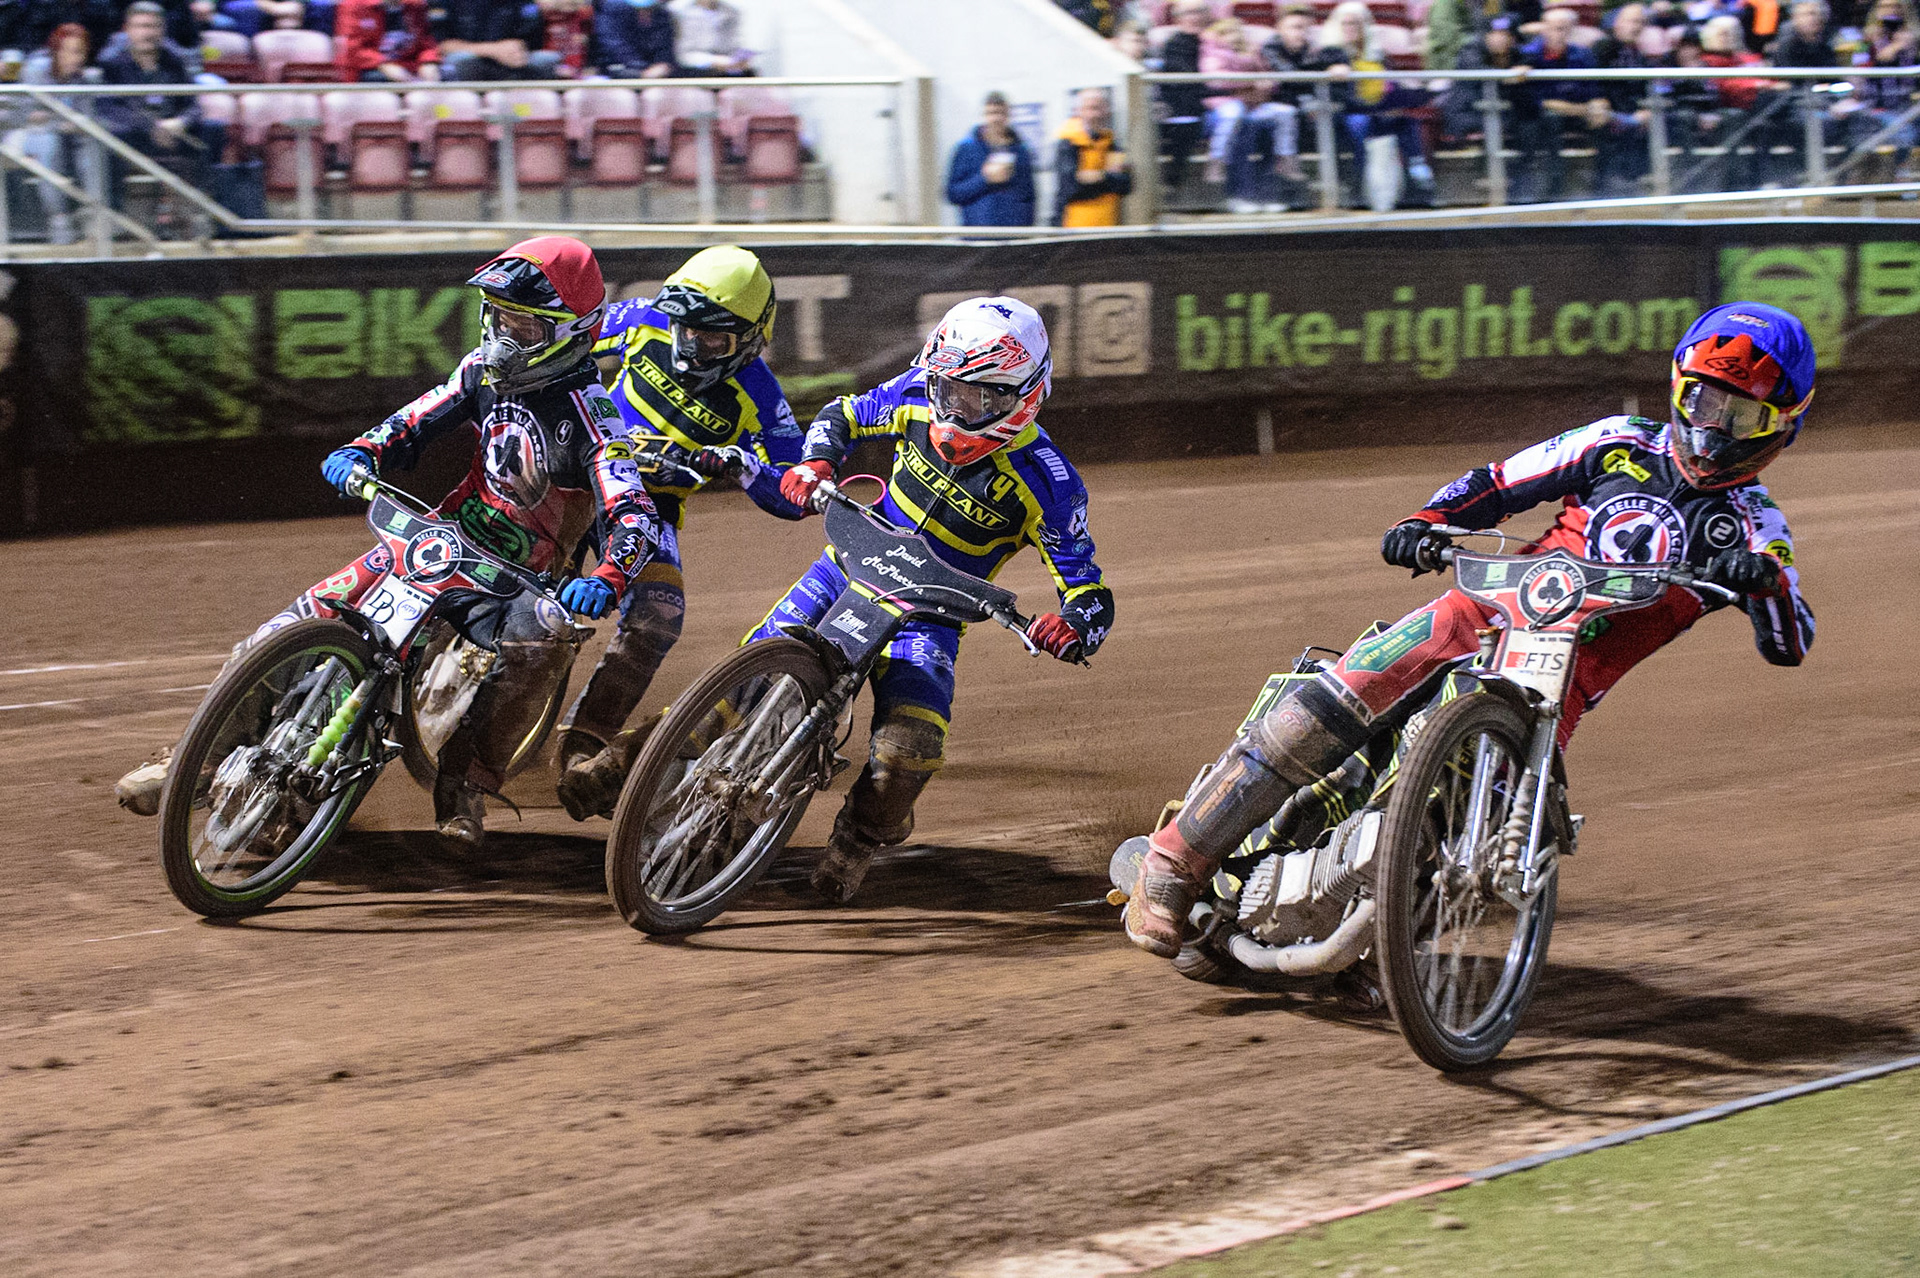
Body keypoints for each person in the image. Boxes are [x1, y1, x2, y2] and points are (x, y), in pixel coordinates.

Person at [1120, 303, 1817, 959]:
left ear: (1782, 425)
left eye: (1741, 415)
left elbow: (1791, 641)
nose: (1714, 429)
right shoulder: (1616, 441)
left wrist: (1764, 581)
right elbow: (1499, 483)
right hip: (1485, 609)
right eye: (1704, 402)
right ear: (1677, 390)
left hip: (1559, 687)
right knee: (1342, 693)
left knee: (1478, 831)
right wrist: (1427, 521)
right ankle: (1174, 860)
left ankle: (1382, 952)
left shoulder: (1757, 525)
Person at [117, 238, 663, 850]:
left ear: (573, 332)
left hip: (517, 578)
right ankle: (195, 757)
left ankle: (465, 783)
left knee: (546, 638)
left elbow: (635, 514)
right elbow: (416, 418)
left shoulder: (596, 421)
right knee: (292, 624)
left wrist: (608, 577)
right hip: (440, 539)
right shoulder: (481, 372)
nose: (503, 337)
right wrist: (364, 449)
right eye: (499, 317)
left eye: (523, 326)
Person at [771, 297, 1115, 904]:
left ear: (1022, 396)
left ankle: (857, 841)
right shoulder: (913, 393)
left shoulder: (1050, 482)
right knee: (747, 679)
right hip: (847, 567)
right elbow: (842, 413)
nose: (954, 409)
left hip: (929, 617)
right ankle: (635, 761)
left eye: (977, 399)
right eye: (948, 390)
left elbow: (1087, 587)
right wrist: (815, 461)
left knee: (909, 750)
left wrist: (1072, 626)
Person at [552, 245, 809, 820]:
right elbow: (558, 347)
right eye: (685, 328)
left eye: (712, 338)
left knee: (658, 617)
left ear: (751, 339)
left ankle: (585, 742)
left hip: (651, 511)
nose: (691, 346)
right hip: (574, 474)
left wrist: (744, 466)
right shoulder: (641, 319)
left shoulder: (760, 396)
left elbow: (794, 488)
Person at [96, 2, 225, 200]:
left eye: (154, 26)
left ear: (163, 29)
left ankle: (204, 202)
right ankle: (114, 208)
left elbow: (193, 105)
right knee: (109, 137)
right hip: (134, 133)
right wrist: (151, 126)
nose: (148, 33)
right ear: (127, 29)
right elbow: (109, 110)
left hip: (172, 130)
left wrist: (181, 122)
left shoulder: (175, 59)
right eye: (141, 26)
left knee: (213, 129)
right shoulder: (111, 62)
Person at [1320, 0, 1437, 206]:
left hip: (1379, 110)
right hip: (1350, 113)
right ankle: (1362, 184)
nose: (1350, 28)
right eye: (1345, 23)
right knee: (1359, 123)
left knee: (1408, 123)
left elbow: (1391, 86)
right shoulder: (1330, 54)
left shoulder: (1378, 55)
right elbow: (1339, 96)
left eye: (1355, 23)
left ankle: (1419, 179)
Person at [5, 21, 97, 244]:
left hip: (67, 137)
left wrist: (53, 119)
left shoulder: (85, 79)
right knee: (49, 142)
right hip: (23, 135)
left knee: (92, 145)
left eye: (81, 52)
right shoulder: (35, 71)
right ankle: (59, 218)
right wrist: (59, 122)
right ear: (56, 51)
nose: (76, 58)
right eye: (70, 51)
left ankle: (94, 213)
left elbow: (86, 117)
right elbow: (23, 115)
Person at [1511, 6, 1598, 201]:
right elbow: (1532, 98)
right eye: (1554, 28)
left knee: (1603, 122)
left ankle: (1602, 187)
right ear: (1544, 29)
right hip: (1541, 116)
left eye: (1564, 29)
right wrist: (1571, 107)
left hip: (1578, 113)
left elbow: (1594, 90)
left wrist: (1596, 105)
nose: (1559, 34)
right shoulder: (1527, 55)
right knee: (1548, 121)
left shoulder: (1583, 55)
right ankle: (1551, 191)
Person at [946, 90, 1038, 226]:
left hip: (1014, 233)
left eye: (1001, 113)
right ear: (984, 115)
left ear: (1008, 115)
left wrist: (1026, 228)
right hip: (979, 234)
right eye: (991, 113)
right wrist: (985, 179)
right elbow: (953, 194)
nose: (996, 119)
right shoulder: (967, 149)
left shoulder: (1021, 151)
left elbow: (1029, 196)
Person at [1154, 0, 1212, 198]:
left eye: (1199, 12)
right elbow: (1189, 82)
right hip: (1185, 106)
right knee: (1185, 124)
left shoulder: (1215, 41)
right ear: (1177, 18)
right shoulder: (1175, 44)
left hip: (1210, 105)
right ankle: (1172, 184)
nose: (1194, 17)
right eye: (1189, 13)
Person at [1053, 85, 1133, 225]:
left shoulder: (1112, 144)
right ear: (1080, 111)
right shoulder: (1068, 144)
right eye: (1091, 108)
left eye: (1100, 108)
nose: (1096, 115)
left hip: (1109, 225)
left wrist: (1098, 176)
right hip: (1075, 227)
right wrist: (1109, 179)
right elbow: (1071, 188)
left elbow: (1125, 185)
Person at [433, 0, 557, 80]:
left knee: (547, 60)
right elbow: (442, 45)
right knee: (460, 60)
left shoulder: (523, 3)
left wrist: (518, 47)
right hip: (474, 61)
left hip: (513, 60)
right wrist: (493, 50)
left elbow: (533, 38)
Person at [335, 0, 440, 81]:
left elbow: (426, 43)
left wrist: (428, 62)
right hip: (367, 70)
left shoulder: (416, 6)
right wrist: (383, 64)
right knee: (381, 85)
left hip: (409, 67)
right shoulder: (354, 5)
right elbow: (353, 49)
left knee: (442, 77)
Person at [593, 0, 676, 79]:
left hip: (655, 71)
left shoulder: (661, 14)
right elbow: (613, 44)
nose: (644, 14)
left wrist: (662, 63)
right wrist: (642, 71)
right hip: (617, 69)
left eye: (648, 10)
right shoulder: (613, 9)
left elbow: (664, 46)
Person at [672, 0, 748, 75]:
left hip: (727, 64)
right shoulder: (679, 11)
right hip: (695, 67)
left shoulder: (731, 11)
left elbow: (735, 44)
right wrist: (713, 61)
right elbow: (683, 56)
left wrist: (737, 60)